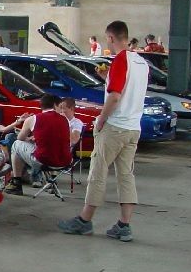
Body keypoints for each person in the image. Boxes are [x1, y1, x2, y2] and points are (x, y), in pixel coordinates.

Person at [59, 20, 149, 241]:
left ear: (110, 37)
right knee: (126, 175)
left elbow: (115, 97)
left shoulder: (120, 60)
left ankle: (84, 220)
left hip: (115, 126)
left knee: (97, 172)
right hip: (133, 128)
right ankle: (124, 225)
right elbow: (128, 88)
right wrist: (107, 77)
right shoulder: (141, 62)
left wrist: (101, 119)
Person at [5, 94, 71, 195]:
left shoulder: (33, 119)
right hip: (65, 161)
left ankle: (16, 183)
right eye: (60, 107)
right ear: (54, 105)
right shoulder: (65, 120)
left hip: (44, 161)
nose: (60, 110)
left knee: (16, 144)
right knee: (53, 148)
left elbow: (20, 138)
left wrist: (29, 139)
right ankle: (51, 181)